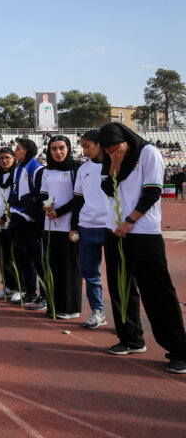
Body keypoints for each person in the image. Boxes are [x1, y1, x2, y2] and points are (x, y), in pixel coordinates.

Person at [99, 122, 186, 374]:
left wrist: (129, 221)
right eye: (108, 150)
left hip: (143, 232)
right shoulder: (109, 156)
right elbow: (107, 188)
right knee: (120, 287)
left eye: (116, 148)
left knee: (157, 291)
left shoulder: (149, 153)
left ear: (126, 140)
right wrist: (114, 163)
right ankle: (131, 339)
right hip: (114, 231)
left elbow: (152, 193)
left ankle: (179, 350)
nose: (113, 152)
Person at [39, 135, 81, 319]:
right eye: (54, 148)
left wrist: (60, 212)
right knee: (53, 266)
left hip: (69, 226)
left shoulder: (76, 169)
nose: (58, 152)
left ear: (69, 148)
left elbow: (79, 198)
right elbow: (43, 193)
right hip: (50, 226)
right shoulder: (46, 171)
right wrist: (45, 205)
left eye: (61, 147)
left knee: (70, 268)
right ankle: (54, 306)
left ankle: (71, 308)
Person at [70, 130, 109, 328]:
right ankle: (97, 312)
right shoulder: (83, 169)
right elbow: (78, 200)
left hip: (111, 227)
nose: (84, 150)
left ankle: (125, 319)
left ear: (99, 143)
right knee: (90, 273)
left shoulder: (115, 165)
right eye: (82, 146)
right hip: (87, 227)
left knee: (120, 272)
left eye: (87, 146)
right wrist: (74, 226)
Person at [9, 138, 44, 306]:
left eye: (18, 149)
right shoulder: (19, 169)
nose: (15, 151)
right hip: (21, 219)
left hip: (33, 222)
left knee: (38, 260)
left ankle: (44, 296)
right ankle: (30, 292)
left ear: (27, 150)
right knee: (24, 259)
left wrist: (27, 214)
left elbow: (38, 197)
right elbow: (16, 194)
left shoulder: (36, 169)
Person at [0, 147, 22, 301]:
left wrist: (4, 216)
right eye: (1, 158)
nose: (4, 161)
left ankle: (18, 287)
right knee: (0, 255)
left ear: (14, 158)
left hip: (12, 222)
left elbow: (15, 197)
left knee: (13, 256)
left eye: (7, 157)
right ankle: (7, 286)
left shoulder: (18, 175)